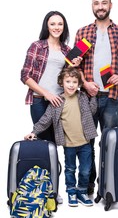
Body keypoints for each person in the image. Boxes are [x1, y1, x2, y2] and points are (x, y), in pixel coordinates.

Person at [74, 0, 118, 195]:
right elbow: (74, 66)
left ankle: (108, 183)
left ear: (110, 5)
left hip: (112, 97)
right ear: (92, 6)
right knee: (87, 144)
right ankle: (89, 183)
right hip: (87, 97)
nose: (100, 6)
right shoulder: (82, 33)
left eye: (104, 2)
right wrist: (85, 83)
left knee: (110, 141)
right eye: (96, 3)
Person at [24, 67, 98, 207]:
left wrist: (93, 96)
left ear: (79, 84)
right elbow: (46, 119)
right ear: (61, 83)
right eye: (68, 81)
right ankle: (71, 191)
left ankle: (82, 191)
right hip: (69, 144)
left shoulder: (82, 97)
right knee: (70, 169)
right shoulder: (57, 101)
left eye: (75, 82)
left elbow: (92, 110)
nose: (71, 84)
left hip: (85, 143)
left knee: (85, 169)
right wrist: (34, 132)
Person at [21, 11, 82, 143]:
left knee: (60, 139)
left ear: (64, 27)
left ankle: (58, 164)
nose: (56, 27)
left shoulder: (67, 50)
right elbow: (25, 76)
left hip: (59, 101)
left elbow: (68, 77)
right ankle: (45, 164)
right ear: (47, 26)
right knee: (43, 140)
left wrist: (74, 66)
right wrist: (47, 94)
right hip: (39, 100)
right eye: (52, 24)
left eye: (60, 24)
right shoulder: (37, 46)